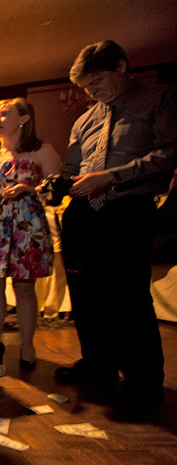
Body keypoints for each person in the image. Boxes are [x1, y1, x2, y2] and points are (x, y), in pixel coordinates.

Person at [54, 40, 176, 414]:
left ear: (121, 67)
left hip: (129, 209)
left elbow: (170, 153)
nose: (92, 93)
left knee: (127, 297)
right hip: (84, 213)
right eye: (87, 88)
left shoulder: (160, 98)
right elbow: (74, 170)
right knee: (86, 295)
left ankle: (142, 381)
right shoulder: (84, 120)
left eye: (98, 82)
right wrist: (56, 184)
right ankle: (98, 363)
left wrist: (111, 177)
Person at [0, 98, 61, 370]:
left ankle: (28, 345)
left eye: (4, 114)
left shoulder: (42, 151)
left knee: (24, 288)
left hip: (26, 227)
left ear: (24, 118)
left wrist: (27, 189)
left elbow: (57, 189)